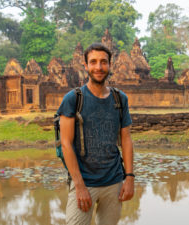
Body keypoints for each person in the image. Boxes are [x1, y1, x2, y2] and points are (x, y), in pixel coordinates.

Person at [57, 42, 135, 225]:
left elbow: (126, 139)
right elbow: (66, 143)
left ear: (110, 65)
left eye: (103, 62)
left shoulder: (120, 99)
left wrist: (129, 177)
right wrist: (79, 185)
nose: (98, 67)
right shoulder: (73, 99)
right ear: (85, 66)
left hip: (114, 181)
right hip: (84, 181)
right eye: (93, 62)